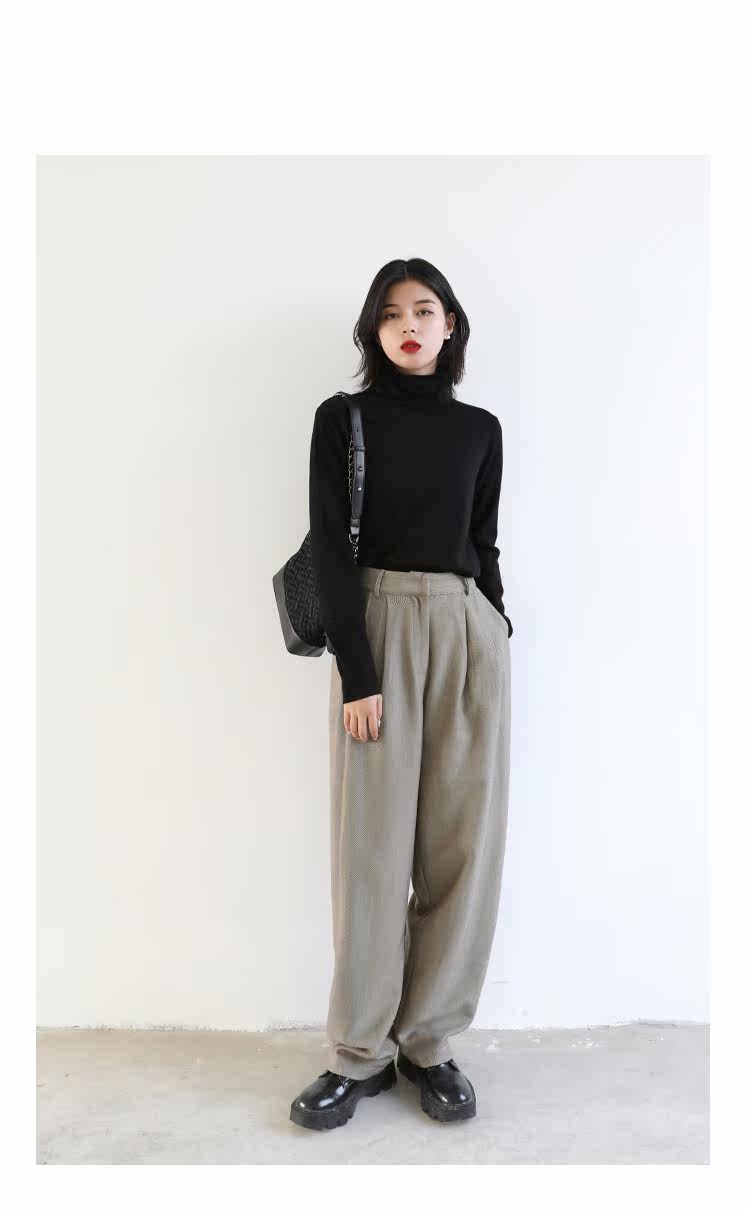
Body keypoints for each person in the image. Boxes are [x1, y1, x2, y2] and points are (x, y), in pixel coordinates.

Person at [289, 258, 512, 1130]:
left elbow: (485, 541)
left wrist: (496, 626)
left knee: (462, 849)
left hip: (466, 629)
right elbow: (329, 546)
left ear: (450, 324)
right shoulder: (342, 419)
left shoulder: (481, 429)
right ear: (372, 331)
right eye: (390, 315)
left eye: (424, 310)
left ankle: (430, 1042)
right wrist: (358, 670)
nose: (408, 326)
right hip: (377, 624)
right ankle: (358, 1053)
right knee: (372, 854)